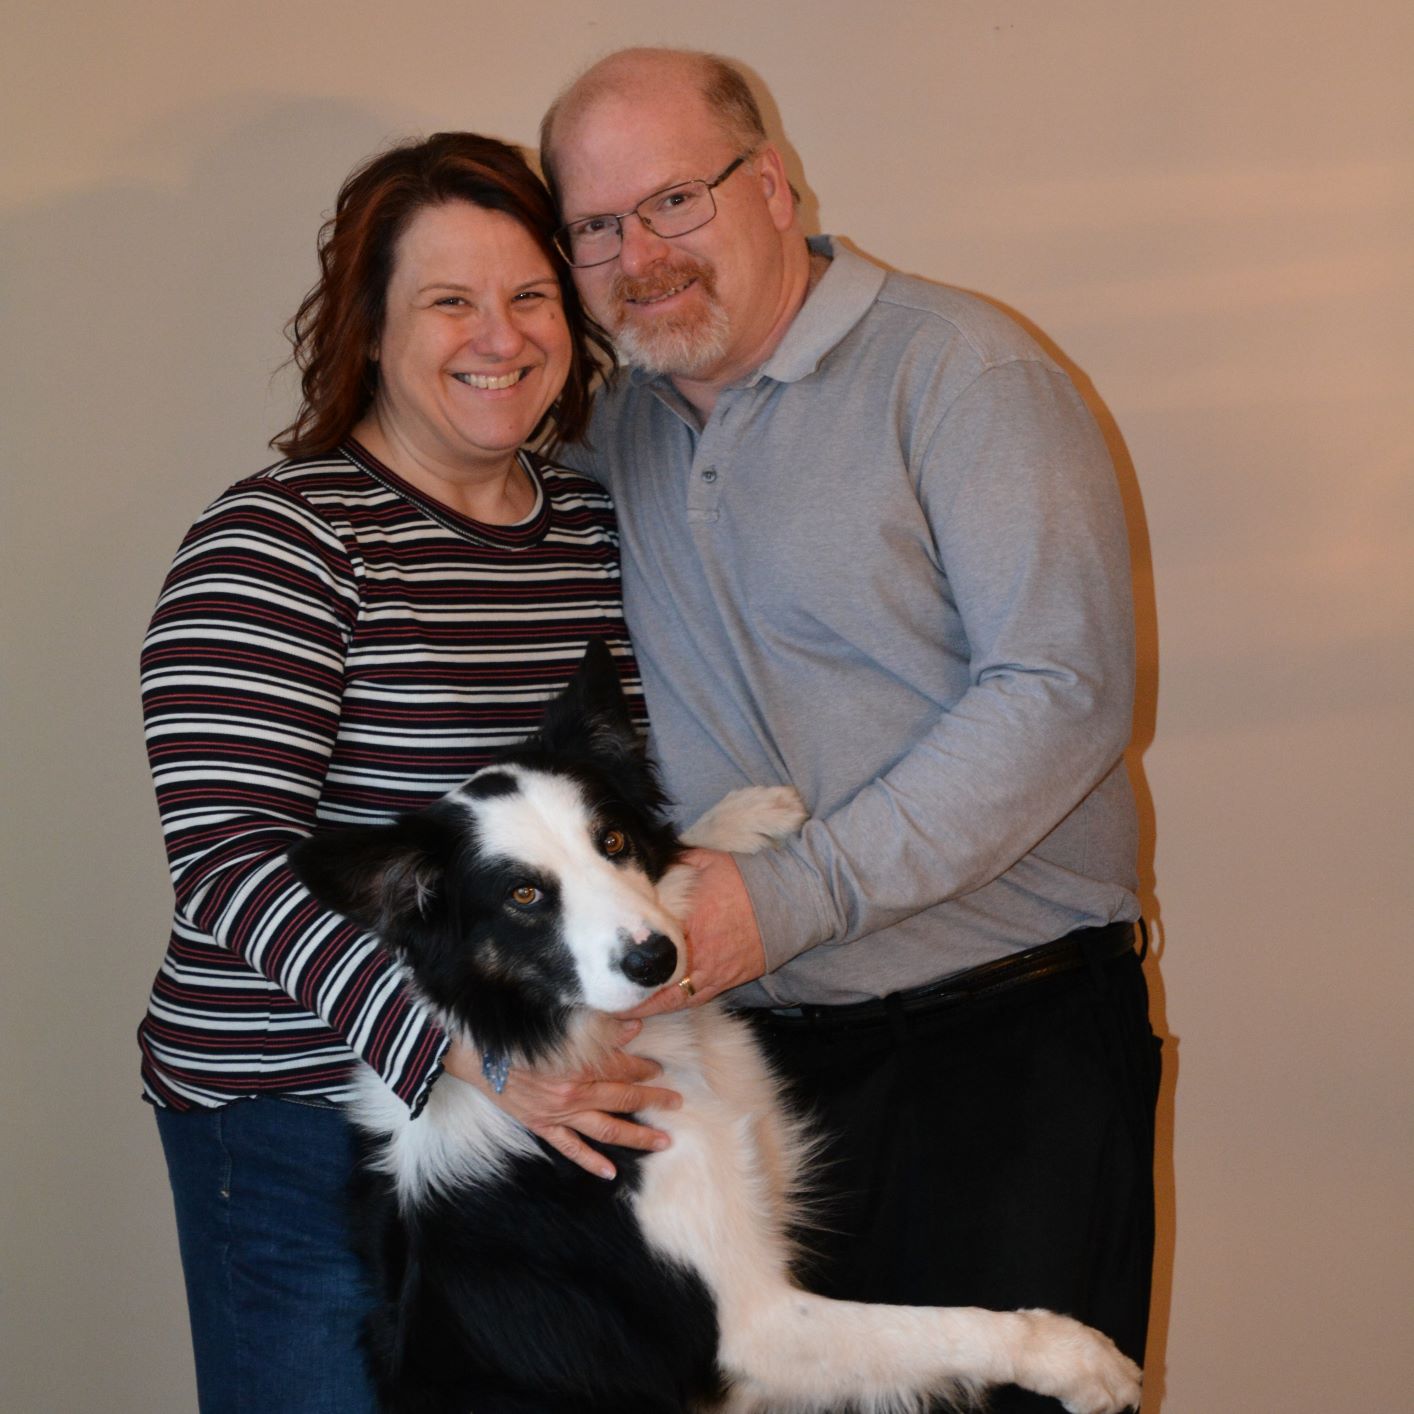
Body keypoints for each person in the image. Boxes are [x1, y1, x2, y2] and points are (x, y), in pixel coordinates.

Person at [540, 48, 1162, 1411]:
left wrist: (792, 894)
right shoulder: (610, 431)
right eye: (594, 226)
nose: (638, 254)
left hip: (1004, 1054)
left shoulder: (961, 371)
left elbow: (1059, 692)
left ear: (773, 185)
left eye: (675, 201)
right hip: (764, 1065)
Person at [137, 132, 681, 1414]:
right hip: (299, 1116)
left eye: (529, 295)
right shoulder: (279, 541)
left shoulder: (595, 530)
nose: (498, 335)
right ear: (369, 333)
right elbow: (224, 863)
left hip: (530, 1103)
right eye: (448, 301)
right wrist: (464, 1053)